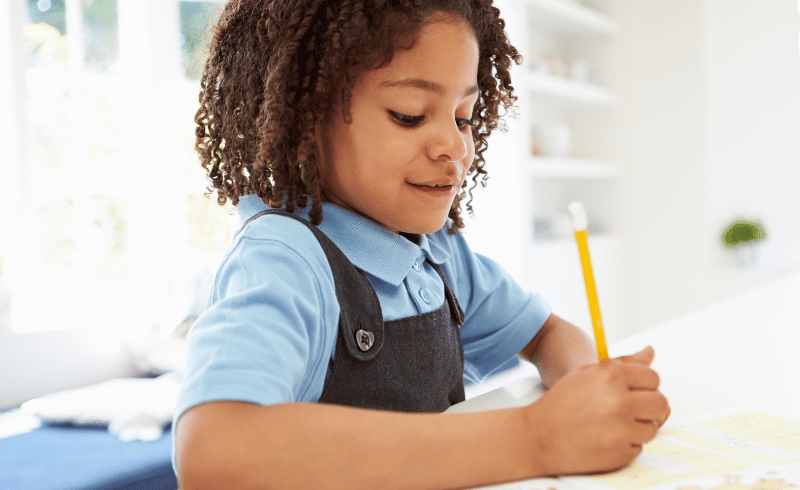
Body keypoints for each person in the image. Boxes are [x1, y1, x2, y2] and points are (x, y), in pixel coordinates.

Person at [173, 1, 671, 489]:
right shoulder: (284, 259)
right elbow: (212, 450)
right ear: (305, 115)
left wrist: (589, 392)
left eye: (463, 116)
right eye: (409, 115)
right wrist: (534, 437)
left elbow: (544, 333)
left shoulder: (437, 252)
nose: (454, 146)